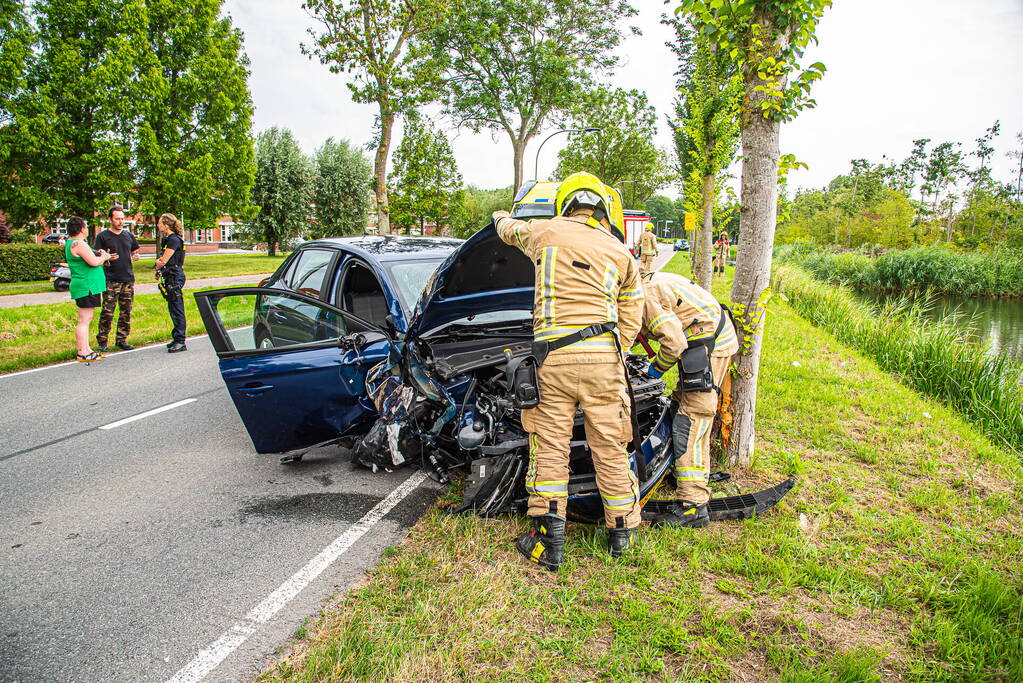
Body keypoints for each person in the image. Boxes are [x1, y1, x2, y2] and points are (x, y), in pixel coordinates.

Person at [493, 171, 644, 571]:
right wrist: (616, 350)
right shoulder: (620, 252)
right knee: (610, 446)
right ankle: (621, 532)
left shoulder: (544, 232)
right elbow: (633, 312)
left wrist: (498, 217)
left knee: (550, 445)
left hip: (554, 361)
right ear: (603, 209)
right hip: (604, 363)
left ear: (565, 204)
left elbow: (511, 231)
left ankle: (549, 538)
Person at [638, 271, 739, 527]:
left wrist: (654, 371)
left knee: (692, 420)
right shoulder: (640, 287)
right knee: (679, 405)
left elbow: (673, 343)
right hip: (700, 336)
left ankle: (692, 505)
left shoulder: (645, 296)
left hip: (710, 343)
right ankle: (683, 471)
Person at [65, 216, 117, 363]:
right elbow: (94, 262)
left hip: (87, 285)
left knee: (86, 319)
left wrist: (99, 255)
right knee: (84, 320)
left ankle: (86, 349)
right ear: (81, 229)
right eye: (86, 226)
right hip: (86, 286)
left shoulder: (73, 243)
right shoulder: (79, 244)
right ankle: (82, 352)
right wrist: (105, 256)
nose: (87, 229)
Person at [93, 205, 141, 352]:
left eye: (122, 218)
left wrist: (135, 256)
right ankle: (102, 340)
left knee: (126, 311)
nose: (121, 222)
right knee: (108, 311)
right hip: (111, 279)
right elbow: (96, 256)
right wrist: (107, 258)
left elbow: (134, 250)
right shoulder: (102, 236)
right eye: (117, 219)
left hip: (127, 278)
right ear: (110, 219)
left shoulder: (128, 235)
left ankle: (122, 339)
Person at [154, 213, 187, 353]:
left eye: (160, 223)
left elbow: (163, 260)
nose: (157, 225)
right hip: (170, 276)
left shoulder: (174, 240)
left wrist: (158, 265)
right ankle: (176, 337)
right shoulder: (170, 239)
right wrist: (159, 270)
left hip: (174, 277)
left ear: (166, 225)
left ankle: (180, 341)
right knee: (173, 308)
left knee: (177, 308)